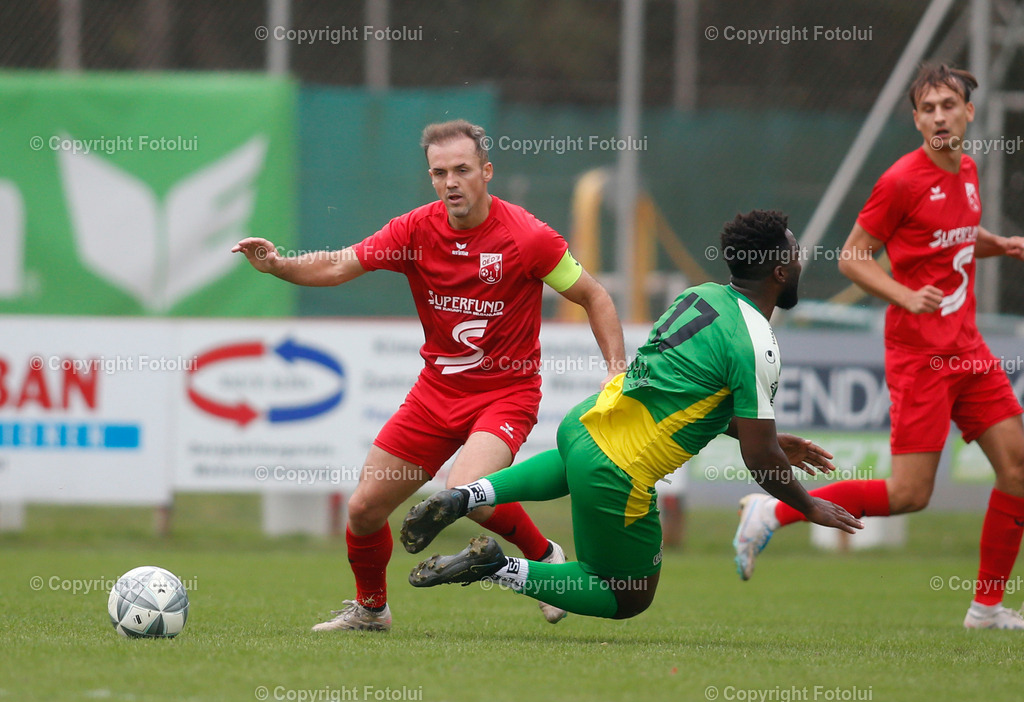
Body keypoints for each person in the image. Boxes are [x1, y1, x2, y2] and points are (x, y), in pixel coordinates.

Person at [232, 120, 626, 631]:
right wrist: (277, 266)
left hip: (505, 395)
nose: (451, 182)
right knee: (365, 509)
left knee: (466, 492)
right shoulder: (415, 230)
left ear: (486, 172)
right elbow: (338, 265)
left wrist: (616, 371)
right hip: (436, 395)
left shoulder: (527, 237)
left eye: (462, 170)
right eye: (439, 173)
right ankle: (371, 611)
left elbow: (594, 295)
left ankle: (545, 556)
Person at [399, 210, 862, 620]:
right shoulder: (757, 342)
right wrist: (807, 505)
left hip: (585, 425)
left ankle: (467, 495)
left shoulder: (699, 297)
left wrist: (773, 442)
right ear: (781, 271)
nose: (802, 261)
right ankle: (498, 566)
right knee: (626, 595)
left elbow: (686, 399)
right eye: (798, 255)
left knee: (577, 466)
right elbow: (760, 459)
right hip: (618, 471)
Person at [733, 63, 1024, 630]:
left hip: (967, 348)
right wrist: (905, 294)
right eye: (929, 108)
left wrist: (1002, 244)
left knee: (1018, 470)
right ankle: (772, 508)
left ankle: (986, 608)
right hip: (920, 356)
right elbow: (851, 256)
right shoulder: (900, 181)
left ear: (968, 113)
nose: (940, 116)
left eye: (949, 105)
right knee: (911, 494)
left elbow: (959, 236)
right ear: (916, 119)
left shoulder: (967, 170)